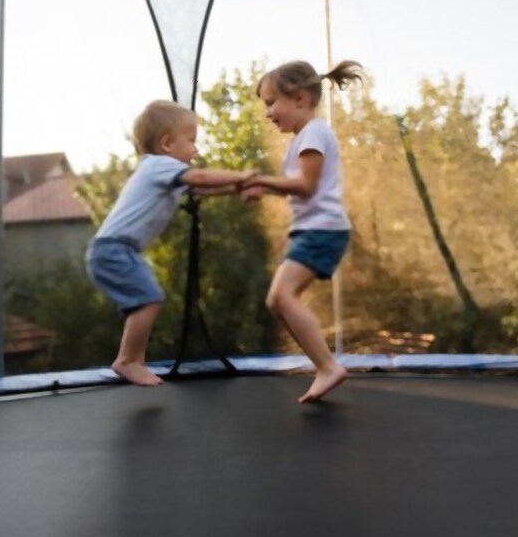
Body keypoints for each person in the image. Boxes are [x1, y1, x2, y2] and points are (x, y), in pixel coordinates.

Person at [87, 100, 255, 387]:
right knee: (150, 299)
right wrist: (242, 175)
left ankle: (134, 361)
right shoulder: (158, 165)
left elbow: (201, 187)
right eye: (191, 141)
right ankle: (127, 360)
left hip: (115, 250)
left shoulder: (159, 170)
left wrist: (236, 188)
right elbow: (201, 176)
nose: (196, 149)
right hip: (114, 250)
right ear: (166, 144)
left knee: (144, 302)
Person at [241, 60, 363, 403]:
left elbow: (305, 186)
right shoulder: (302, 139)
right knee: (277, 300)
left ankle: (327, 366)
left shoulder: (315, 132)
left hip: (323, 231)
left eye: (270, 103)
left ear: (298, 98)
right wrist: (265, 188)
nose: (267, 113)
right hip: (313, 230)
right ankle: (325, 366)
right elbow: (300, 188)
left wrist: (261, 181)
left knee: (281, 297)